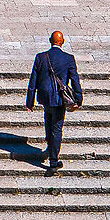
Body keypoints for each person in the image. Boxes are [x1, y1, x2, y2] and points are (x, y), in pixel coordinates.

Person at [25, 29, 83, 172]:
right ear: (62, 42)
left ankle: (50, 148)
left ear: (50, 41)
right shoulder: (69, 58)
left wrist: (30, 101)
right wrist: (78, 98)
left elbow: (33, 80)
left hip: (45, 97)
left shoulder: (40, 57)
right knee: (56, 127)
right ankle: (53, 160)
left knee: (48, 120)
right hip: (59, 98)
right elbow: (74, 80)